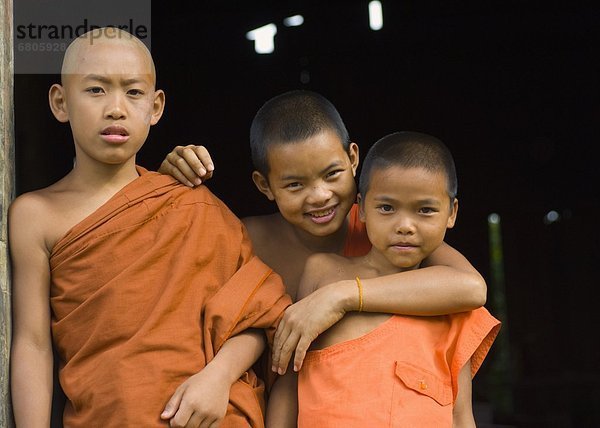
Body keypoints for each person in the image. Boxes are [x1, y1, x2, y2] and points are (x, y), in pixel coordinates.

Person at [9, 28, 291, 428]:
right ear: (60, 102)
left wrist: (219, 377)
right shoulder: (35, 214)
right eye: (95, 90)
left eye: (133, 92)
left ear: (156, 107)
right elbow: (33, 344)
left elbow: (257, 319)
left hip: (206, 415)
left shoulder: (189, 203)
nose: (116, 109)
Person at [158, 90, 488, 375]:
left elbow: (470, 288)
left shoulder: (382, 227)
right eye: (295, 184)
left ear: (353, 158)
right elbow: (168, 265)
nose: (319, 195)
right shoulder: (245, 237)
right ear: (264, 185)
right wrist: (165, 186)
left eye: (332, 174)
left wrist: (340, 296)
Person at [267, 131, 501, 427]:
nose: (405, 226)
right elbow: (288, 384)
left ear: (451, 214)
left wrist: (347, 297)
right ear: (362, 208)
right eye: (387, 208)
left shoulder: (455, 310)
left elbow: (460, 415)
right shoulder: (323, 273)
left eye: (425, 210)